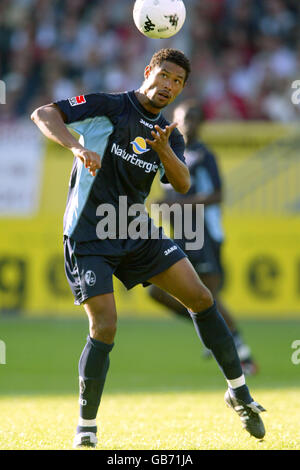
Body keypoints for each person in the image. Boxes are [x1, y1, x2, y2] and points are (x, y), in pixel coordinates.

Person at [31, 48, 266, 448]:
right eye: (165, 76)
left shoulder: (169, 132)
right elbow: (44, 114)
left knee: (201, 297)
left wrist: (162, 151)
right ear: (148, 72)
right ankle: (86, 428)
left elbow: (184, 184)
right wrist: (75, 147)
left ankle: (239, 393)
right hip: (90, 233)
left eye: (178, 82)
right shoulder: (110, 106)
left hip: (133, 227)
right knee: (104, 326)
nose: (169, 86)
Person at [148, 99, 258, 376]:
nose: (188, 123)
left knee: (210, 297)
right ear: (174, 120)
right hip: (181, 234)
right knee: (157, 291)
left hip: (204, 234)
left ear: (201, 124)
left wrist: (181, 205)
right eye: (184, 118)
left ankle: (243, 355)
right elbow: (173, 194)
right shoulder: (171, 153)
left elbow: (218, 195)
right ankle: (215, 333)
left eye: (194, 118)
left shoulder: (203, 156)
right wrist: (164, 205)